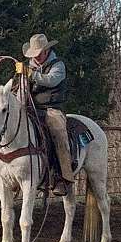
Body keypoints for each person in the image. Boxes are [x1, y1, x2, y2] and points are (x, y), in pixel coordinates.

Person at [15, 33, 73, 196]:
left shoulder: (58, 65)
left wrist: (31, 74)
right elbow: (22, 88)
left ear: (46, 51)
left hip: (52, 109)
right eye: (33, 55)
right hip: (31, 109)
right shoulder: (28, 67)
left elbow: (51, 80)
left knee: (58, 133)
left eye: (38, 54)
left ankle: (63, 177)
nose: (36, 57)